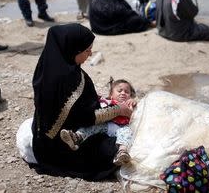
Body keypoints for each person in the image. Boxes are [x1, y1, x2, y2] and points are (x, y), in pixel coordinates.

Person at [31, 23, 133, 180]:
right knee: (117, 143)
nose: (90, 54)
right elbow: (87, 118)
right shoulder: (71, 79)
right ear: (74, 49)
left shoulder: (46, 66)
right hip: (63, 151)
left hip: (41, 145)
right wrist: (118, 109)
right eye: (87, 50)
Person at [60, 78, 137, 166]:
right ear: (111, 94)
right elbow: (97, 110)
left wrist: (133, 102)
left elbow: (137, 115)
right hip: (106, 125)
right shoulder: (107, 102)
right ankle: (77, 137)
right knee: (92, 126)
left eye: (127, 92)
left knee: (127, 132)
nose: (123, 93)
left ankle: (122, 152)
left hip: (121, 127)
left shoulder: (130, 105)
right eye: (119, 91)